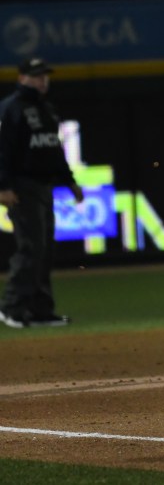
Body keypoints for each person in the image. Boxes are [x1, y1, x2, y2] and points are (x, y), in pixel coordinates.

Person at [0, 57, 83, 329]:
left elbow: (53, 150)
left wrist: (69, 181)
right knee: (31, 247)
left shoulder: (46, 108)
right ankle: (12, 308)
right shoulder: (10, 108)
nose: (42, 80)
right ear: (21, 77)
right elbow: (2, 151)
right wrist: (3, 186)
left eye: (44, 75)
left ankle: (39, 309)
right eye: (36, 76)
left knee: (44, 249)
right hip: (22, 186)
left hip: (44, 186)